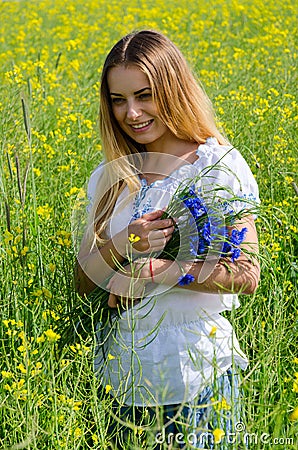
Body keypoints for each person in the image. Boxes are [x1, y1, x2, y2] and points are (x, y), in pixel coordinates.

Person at [75, 30, 260, 449]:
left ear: (172, 89)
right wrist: (125, 241)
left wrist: (159, 271)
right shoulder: (109, 178)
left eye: (144, 95)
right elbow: (85, 280)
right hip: (121, 380)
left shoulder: (217, 166)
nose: (132, 113)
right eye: (118, 100)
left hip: (196, 377)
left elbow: (247, 274)